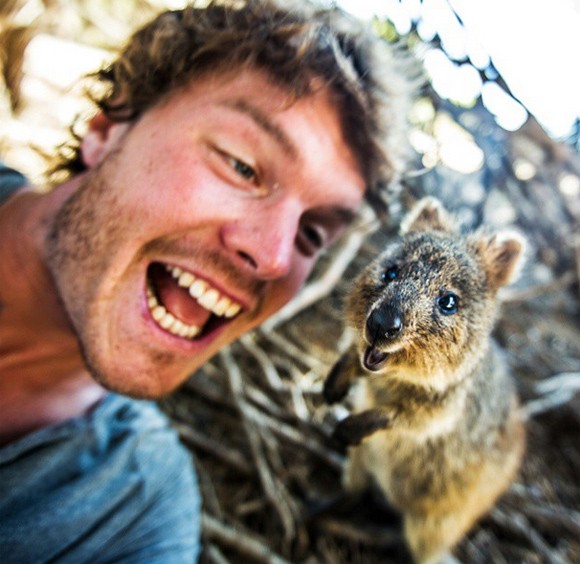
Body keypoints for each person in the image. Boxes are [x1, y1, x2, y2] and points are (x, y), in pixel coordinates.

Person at [0, 0, 416, 561]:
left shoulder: (133, 514)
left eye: (312, 233)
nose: (273, 257)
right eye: (242, 166)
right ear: (109, 127)